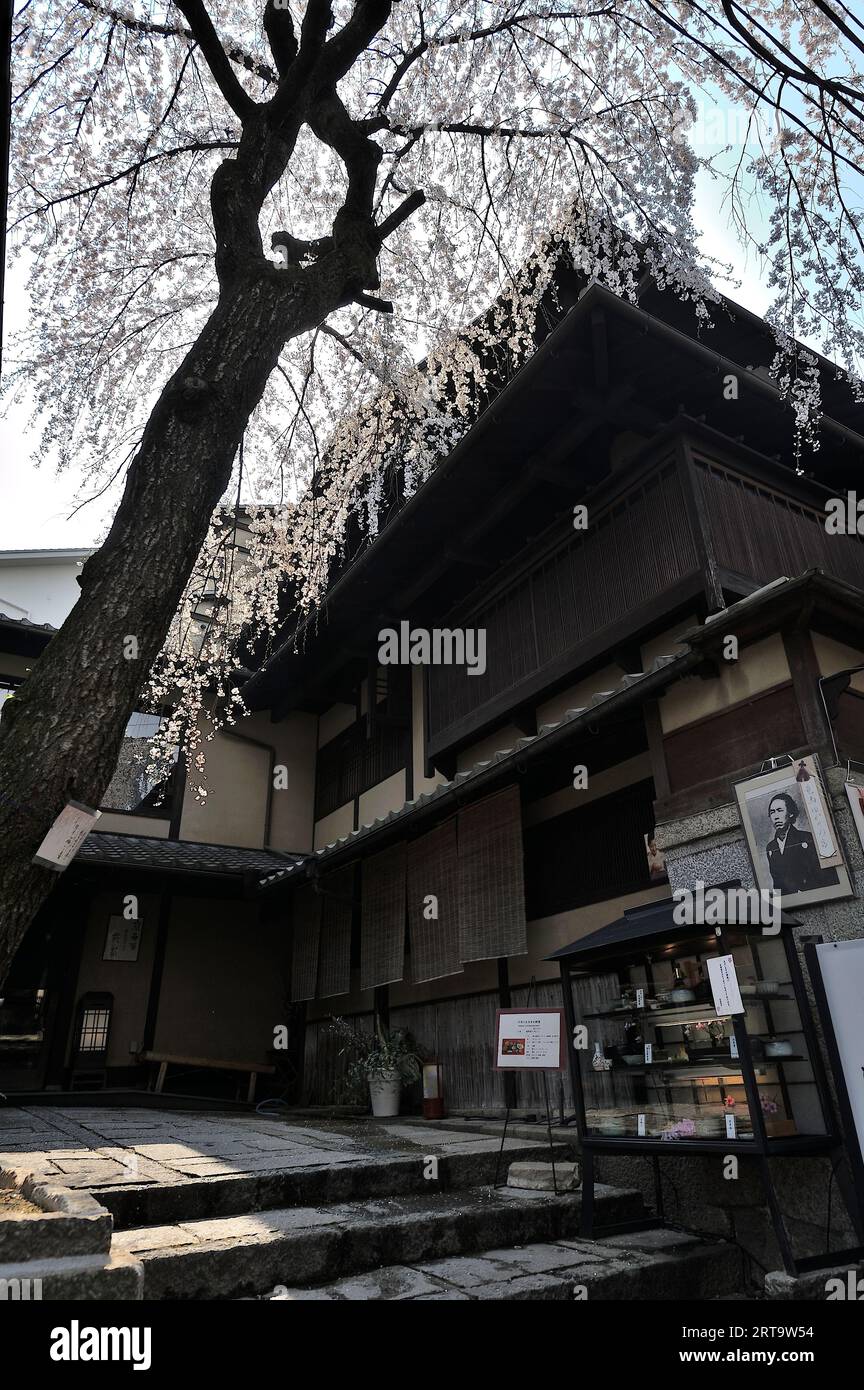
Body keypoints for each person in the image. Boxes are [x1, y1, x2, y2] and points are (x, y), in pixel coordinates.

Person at [764, 792, 838, 895]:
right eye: (772, 812)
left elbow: (825, 875)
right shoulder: (771, 848)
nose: (776, 816)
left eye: (780, 810)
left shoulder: (806, 838)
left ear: (790, 813)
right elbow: (777, 883)